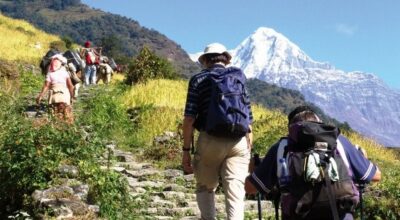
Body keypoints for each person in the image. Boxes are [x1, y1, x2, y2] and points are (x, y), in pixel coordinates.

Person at [245, 105, 381, 220]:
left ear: (291, 130)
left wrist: (252, 168)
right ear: (319, 122)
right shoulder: (339, 142)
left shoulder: (282, 147)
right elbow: (375, 176)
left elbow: (250, 188)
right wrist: (363, 157)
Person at [182, 43, 253, 220]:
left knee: (205, 188)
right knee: (235, 192)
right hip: (238, 141)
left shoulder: (198, 80)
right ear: (226, 59)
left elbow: (189, 119)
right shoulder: (238, 77)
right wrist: (248, 146)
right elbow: (249, 118)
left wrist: (185, 152)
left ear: (205, 60)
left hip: (210, 139)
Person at [36, 54, 75, 123]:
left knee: (54, 113)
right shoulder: (65, 73)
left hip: (54, 95)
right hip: (64, 95)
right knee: (67, 114)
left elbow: (46, 86)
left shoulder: (50, 73)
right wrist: (72, 96)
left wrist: (40, 95)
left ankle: (55, 126)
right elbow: (70, 86)